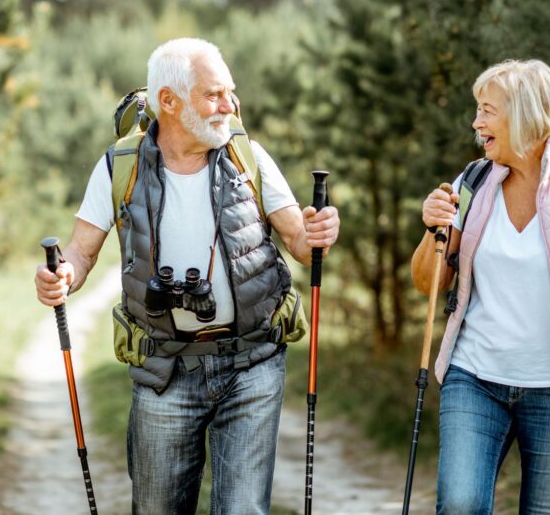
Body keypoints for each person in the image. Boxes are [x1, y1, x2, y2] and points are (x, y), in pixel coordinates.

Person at [34, 38, 340, 514]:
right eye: (213, 94)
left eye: (229, 92)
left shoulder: (248, 157)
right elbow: (80, 250)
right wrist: (62, 276)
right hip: (163, 368)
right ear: (169, 102)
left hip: (252, 362)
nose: (229, 106)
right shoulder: (121, 166)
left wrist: (319, 231)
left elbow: (301, 243)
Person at [411, 59, 550, 514]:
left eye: (488, 110)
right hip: (475, 378)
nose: (477, 122)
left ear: (525, 115)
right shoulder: (471, 183)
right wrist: (431, 227)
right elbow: (425, 282)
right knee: (459, 505)